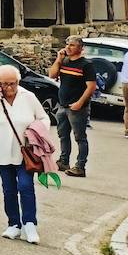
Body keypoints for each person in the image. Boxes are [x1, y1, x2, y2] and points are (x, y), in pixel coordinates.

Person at [0, 63, 51, 244]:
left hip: (25, 151)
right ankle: (14, 224)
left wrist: (36, 131)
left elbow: (44, 117)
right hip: (1, 150)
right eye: (5, 84)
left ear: (18, 81)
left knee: (26, 186)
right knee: (8, 188)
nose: (9, 88)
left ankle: (29, 224)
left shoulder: (28, 96)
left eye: (13, 83)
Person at [47, 36, 95, 177]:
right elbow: (52, 74)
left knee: (80, 137)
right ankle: (63, 161)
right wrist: (59, 59)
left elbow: (91, 87)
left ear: (80, 48)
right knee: (63, 135)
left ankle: (80, 166)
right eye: (67, 44)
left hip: (77, 107)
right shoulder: (65, 61)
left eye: (72, 45)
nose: (68, 47)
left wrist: (80, 103)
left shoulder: (86, 65)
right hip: (63, 105)